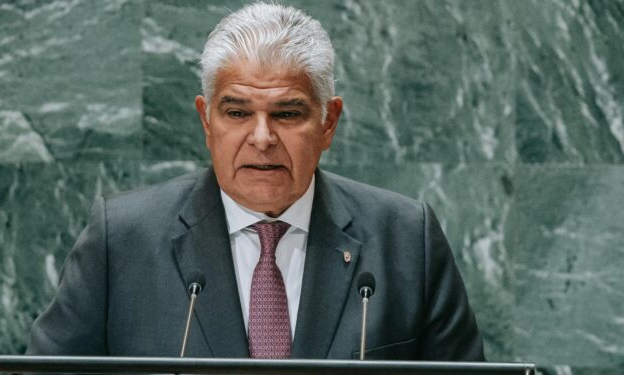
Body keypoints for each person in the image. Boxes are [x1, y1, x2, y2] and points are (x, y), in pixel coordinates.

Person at [26, 2, 485, 361]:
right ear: (207, 121)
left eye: (287, 113)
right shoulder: (121, 240)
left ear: (329, 123)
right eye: (238, 112)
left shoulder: (406, 238)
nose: (262, 138)